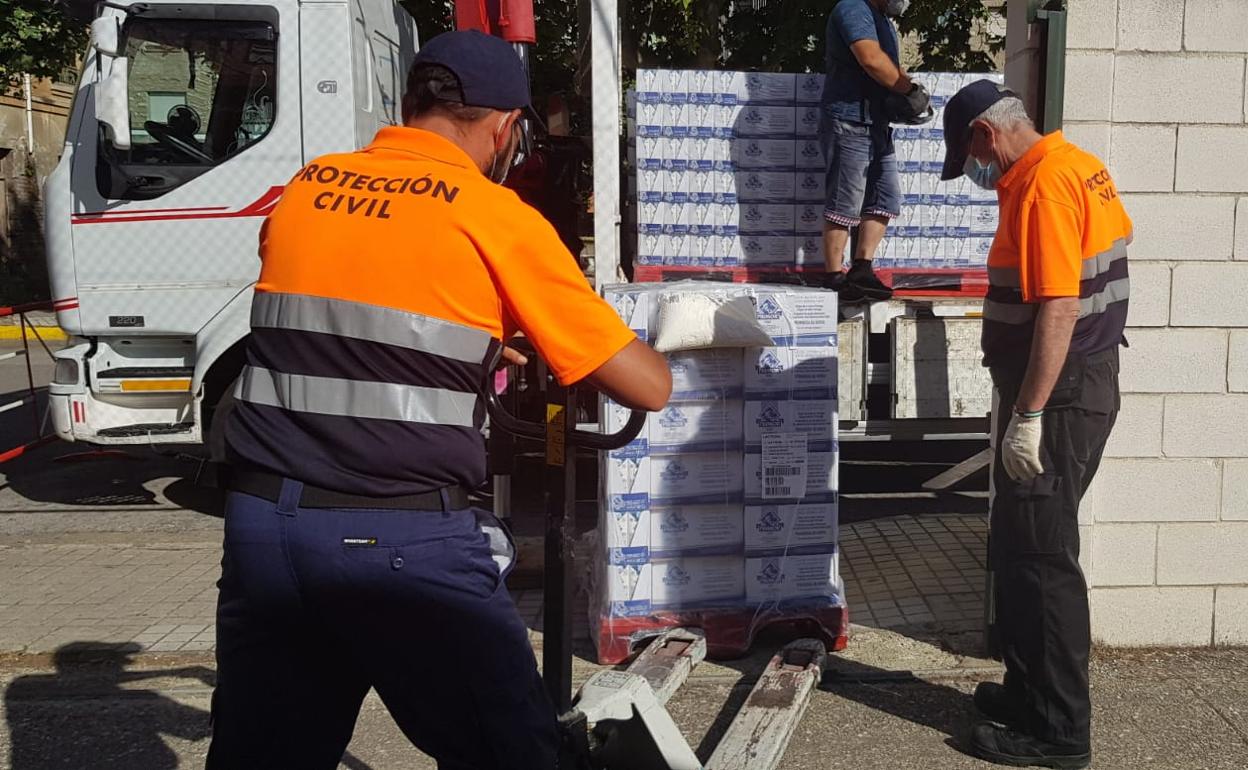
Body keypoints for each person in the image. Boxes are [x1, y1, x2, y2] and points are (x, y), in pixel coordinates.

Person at [206, 30, 672, 770]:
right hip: (402, 541)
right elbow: (645, 384)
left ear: (411, 103)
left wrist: (480, 333)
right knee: (514, 751)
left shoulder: (307, 188)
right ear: (505, 127)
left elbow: (354, 314)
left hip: (267, 531)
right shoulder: (496, 216)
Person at [940, 80, 1132, 770]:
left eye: (968, 159)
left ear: (986, 137)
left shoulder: (1046, 186)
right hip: (1074, 386)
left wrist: (1028, 415)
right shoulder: (1076, 163)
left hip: (1060, 395)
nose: (975, 174)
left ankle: (1056, 732)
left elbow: (1058, 308)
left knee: (1044, 560)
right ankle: (1027, 693)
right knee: (1021, 548)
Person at [818, 0, 923, 302]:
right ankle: (834, 277)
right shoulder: (852, 8)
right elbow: (870, 58)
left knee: (885, 196)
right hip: (850, 119)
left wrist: (905, 93)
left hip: (876, 122)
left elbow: (887, 64)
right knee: (844, 200)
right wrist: (909, 90)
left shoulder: (881, 19)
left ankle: (861, 269)